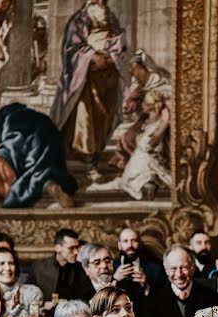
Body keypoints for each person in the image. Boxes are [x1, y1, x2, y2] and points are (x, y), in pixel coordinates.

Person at [50, 0, 125, 183]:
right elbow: (71, 48)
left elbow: (120, 41)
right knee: (86, 122)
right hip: (86, 79)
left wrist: (112, 56)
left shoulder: (111, 18)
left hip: (108, 78)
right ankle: (91, 165)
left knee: (102, 122)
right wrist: (92, 57)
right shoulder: (79, 19)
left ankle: (95, 157)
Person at [0, 103, 77, 209]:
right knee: (41, 166)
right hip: (49, 135)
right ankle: (50, 185)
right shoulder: (25, 112)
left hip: (20, 132)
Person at [28, 228, 90, 302]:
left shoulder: (81, 268)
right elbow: (29, 293)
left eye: (77, 247)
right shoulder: (39, 267)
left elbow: (87, 295)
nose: (76, 252)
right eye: (71, 248)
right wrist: (43, 304)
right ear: (57, 248)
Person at [0, 247, 44, 317]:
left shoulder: (33, 293)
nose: (7, 268)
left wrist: (17, 309)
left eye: (11, 263)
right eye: (2, 263)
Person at [113, 227, 166, 292]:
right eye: (125, 241)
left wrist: (147, 287)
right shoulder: (111, 267)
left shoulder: (155, 269)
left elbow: (162, 298)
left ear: (139, 243)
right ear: (119, 245)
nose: (130, 245)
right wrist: (114, 279)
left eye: (134, 241)